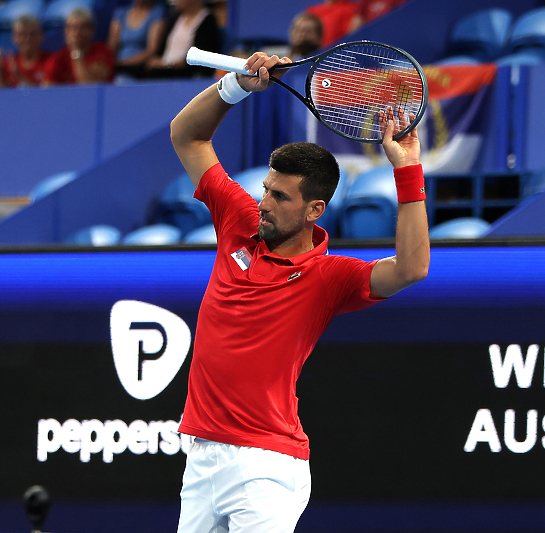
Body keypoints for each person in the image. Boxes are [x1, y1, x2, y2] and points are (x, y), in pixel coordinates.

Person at [169, 51, 429, 532]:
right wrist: (237, 86)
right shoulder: (238, 222)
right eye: (266, 189)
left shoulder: (330, 277)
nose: (263, 203)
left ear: (315, 210)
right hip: (201, 454)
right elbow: (187, 135)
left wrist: (407, 170)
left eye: (279, 196)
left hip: (265, 466)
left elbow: (412, 268)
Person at [143, 0, 219, 78]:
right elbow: (164, 48)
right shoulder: (176, 19)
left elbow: (202, 57)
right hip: (165, 68)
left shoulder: (208, 21)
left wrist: (169, 65)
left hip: (186, 72)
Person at [43, 8, 115, 85]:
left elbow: (89, 86)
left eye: (81, 28)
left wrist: (76, 52)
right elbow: (48, 87)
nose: (76, 33)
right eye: (72, 28)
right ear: (66, 30)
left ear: (91, 30)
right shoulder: (59, 57)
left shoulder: (102, 52)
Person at [106, 0, 167, 79]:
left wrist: (124, 64)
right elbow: (111, 46)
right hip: (117, 67)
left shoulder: (158, 13)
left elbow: (152, 50)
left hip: (138, 69)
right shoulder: (120, 13)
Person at [0, 15, 50, 88]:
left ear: (41, 36)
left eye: (32, 34)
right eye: (22, 35)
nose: (27, 39)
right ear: (14, 38)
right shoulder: (6, 65)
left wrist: (21, 79)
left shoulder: (51, 61)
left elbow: (48, 94)